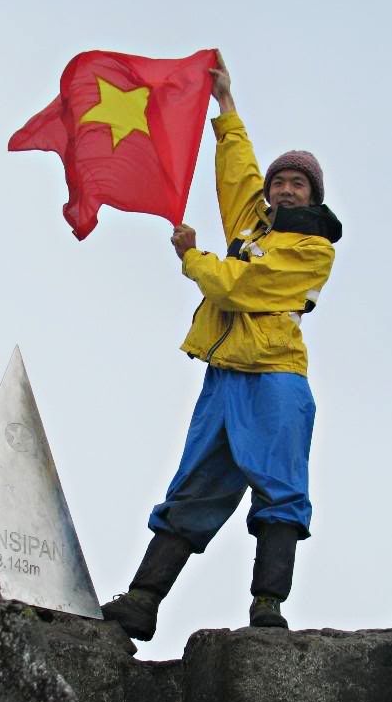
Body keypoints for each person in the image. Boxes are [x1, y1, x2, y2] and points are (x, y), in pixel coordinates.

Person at [102, 51, 342, 640]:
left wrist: (192, 257)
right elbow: (237, 172)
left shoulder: (314, 251)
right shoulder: (252, 225)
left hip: (276, 376)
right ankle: (142, 601)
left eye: (297, 182)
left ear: (312, 195)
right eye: (280, 181)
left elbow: (243, 286)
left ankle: (268, 608)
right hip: (224, 375)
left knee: (280, 487)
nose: (284, 188)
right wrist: (225, 104)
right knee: (194, 486)